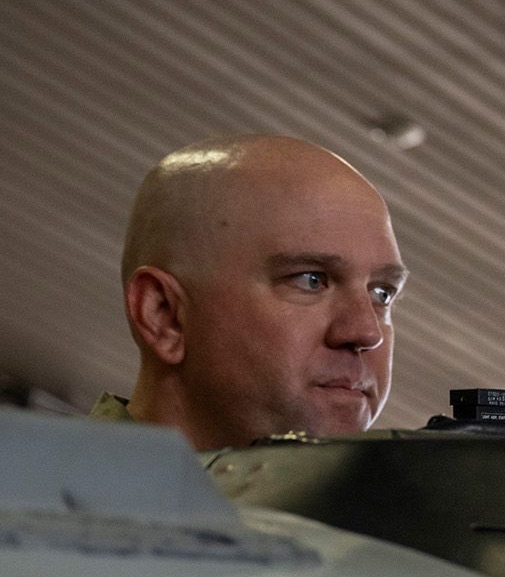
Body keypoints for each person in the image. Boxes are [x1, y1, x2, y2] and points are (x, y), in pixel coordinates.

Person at [93, 135, 402, 447]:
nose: (367, 332)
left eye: (382, 294)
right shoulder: (48, 492)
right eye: (311, 280)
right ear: (163, 315)